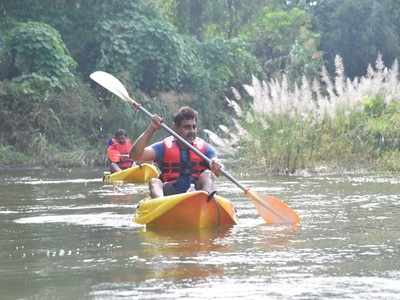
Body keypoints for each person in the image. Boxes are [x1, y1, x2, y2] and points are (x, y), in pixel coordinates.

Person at [131, 106, 222, 198]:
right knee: (155, 182)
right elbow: (135, 156)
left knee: (208, 174)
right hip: (171, 195)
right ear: (175, 128)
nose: (192, 131)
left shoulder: (205, 148)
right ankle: (160, 203)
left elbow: (217, 168)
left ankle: (207, 201)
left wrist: (216, 165)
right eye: (187, 127)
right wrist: (151, 129)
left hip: (198, 193)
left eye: (194, 127)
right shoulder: (163, 147)